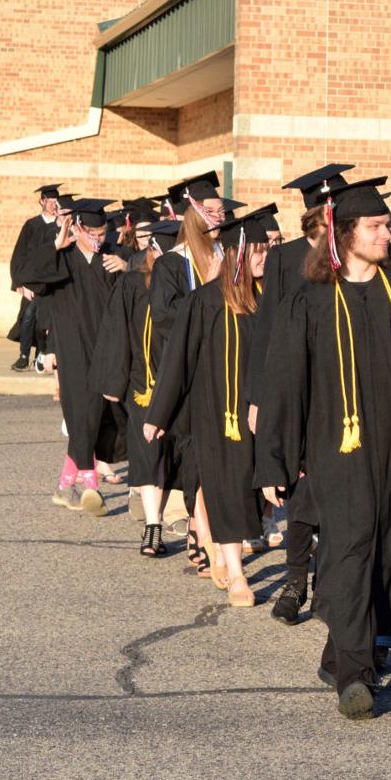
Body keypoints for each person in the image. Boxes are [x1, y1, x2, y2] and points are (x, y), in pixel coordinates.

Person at [254, 176, 391, 719]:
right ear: (346, 233)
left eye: (388, 226)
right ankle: (355, 675)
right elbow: (284, 387)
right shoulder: (308, 303)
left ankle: (344, 650)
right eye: (377, 226)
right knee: (350, 551)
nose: (388, 234)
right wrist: (275, 461)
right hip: (337, 453)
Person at [145, 206, 278, 607]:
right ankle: (237, 574)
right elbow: (178, 360)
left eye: (266, 251)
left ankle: (215, 540)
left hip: (261, 411)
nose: (264, 258)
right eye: (257, 251)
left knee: (254, 490)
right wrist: (159, 414)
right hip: (218, 412)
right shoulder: (203, 302)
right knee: (227, 486)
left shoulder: (270, 298)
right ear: (238, 253)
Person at [252, 164, 354, 625]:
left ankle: (330, 583)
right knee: (301, 490)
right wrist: (258, 398)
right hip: (299, 392)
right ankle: (295, 581)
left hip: (345, 394)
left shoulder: (358, 260)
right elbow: (266, 331)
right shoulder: (284, 258)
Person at [23, 199, 125, 515]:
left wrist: (128, 267)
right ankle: (91, 485)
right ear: (78, 229)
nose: (99, 239)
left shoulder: (112, 258)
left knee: (100, 417)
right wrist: (55, 245)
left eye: (103, 232)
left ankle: (65, 486)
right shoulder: (62, 259)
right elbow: (28, 276)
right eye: (93, 233)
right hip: (73, 351)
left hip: (107, 348)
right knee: (83, 413)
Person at [90, 219, 181, 555]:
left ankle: (172, 518)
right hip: (144, 382)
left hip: (180, 380)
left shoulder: (186, 281)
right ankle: (153, 526)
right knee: (147, 451)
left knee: (174, 454)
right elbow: (115, 332)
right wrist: (113, 381)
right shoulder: (132, 283)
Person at [152, 173, 226, 579]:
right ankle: (199, 526)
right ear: (193, 215)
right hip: (191, 375)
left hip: (227, 369)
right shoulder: (171, 264)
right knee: (197, 453)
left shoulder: (230, 254)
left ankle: (215, 525)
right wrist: (208, 288)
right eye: (211, 210)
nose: (219, 217)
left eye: (221, 210)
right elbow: (166, 320)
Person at [8, 184, 63, 371]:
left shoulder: (61, 226)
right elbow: (19, 254)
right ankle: (23, 356)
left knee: (44, 321)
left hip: (52, 283)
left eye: (56, 201)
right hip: (32, 282)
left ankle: (42, 354)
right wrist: (19, 283)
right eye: (50, 201)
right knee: (28, 316)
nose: (53, 204)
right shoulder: (31, 225)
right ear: (41, 201)